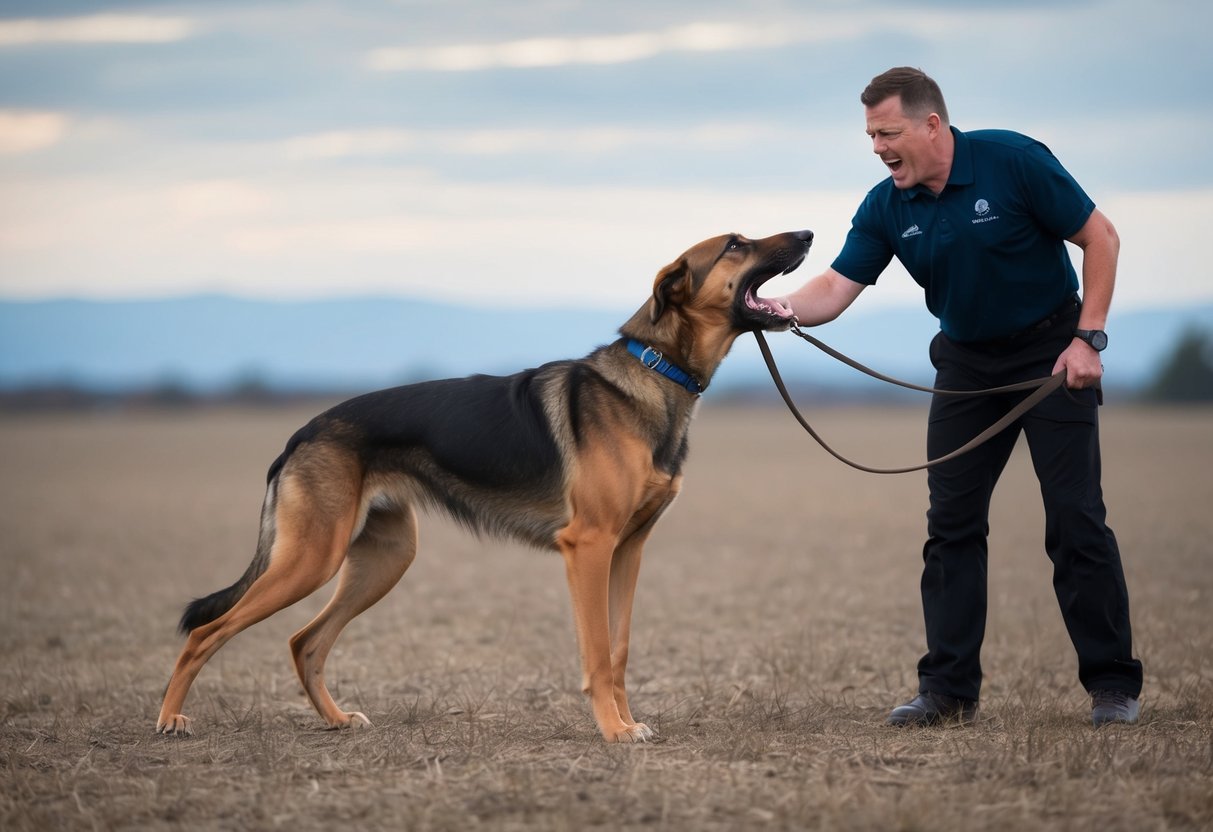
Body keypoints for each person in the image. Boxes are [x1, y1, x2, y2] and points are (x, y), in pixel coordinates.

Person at [766, 67, 1143, 727]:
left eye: (887, 132)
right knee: (950, 528)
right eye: (870, 136)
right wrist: (772, 309)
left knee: (1075, 521)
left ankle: (1112, 685)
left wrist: (1088, 340)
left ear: (930, 125)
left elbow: (1099, 237)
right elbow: (832, 289)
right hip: (966, 366)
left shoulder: (1013, 161)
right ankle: (946, 692)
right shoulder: (887, 204)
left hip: (1052, 356)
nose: (879, 147)